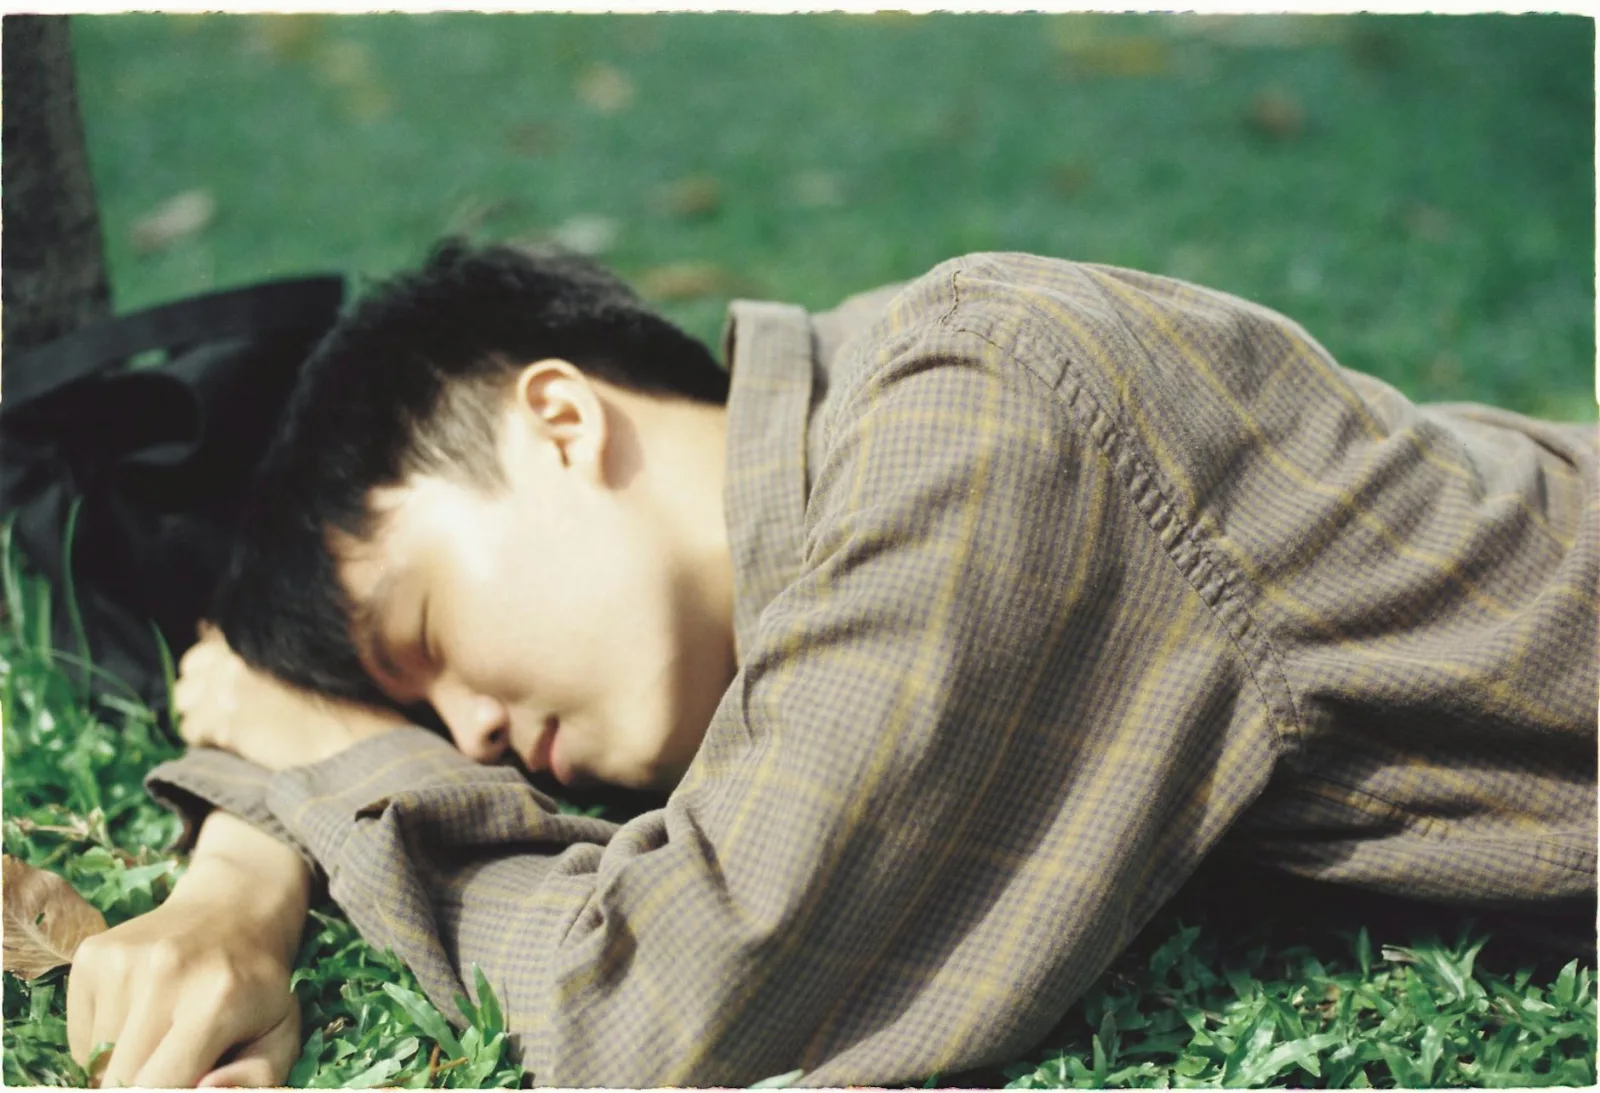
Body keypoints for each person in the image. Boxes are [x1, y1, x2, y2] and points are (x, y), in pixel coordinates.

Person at [65, 241, 1597, 1088]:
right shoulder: (857, 472)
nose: (463, 734)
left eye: (420, 643)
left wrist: (348, 773)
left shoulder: (978, 411)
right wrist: (248, 868)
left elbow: (670, 1002)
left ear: (560, 420)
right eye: (419, 718)